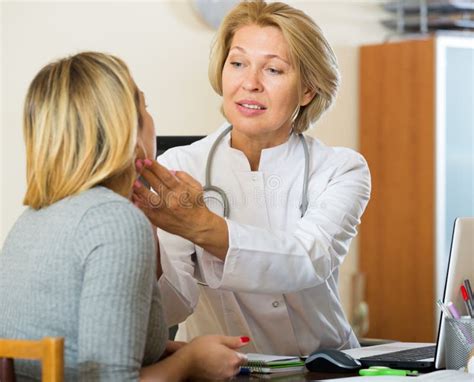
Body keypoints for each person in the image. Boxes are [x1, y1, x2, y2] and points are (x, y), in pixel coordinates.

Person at [133, 0, 371, 356]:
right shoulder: (180, 167)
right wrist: (146, 235)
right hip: (226, 371)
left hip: (324, 367)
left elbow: (306, 260)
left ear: (307, 90)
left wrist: (201, 226)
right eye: (238, 63)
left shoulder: (340, 169)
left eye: (273, 70)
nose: (250, 83)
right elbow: (173, 304)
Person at [0, 52, 249, 381]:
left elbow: (81, 339)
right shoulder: (114, 221)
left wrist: (174, 350)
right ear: (126, 130)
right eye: (144, 107)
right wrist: (192, 363)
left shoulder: (33, 217)